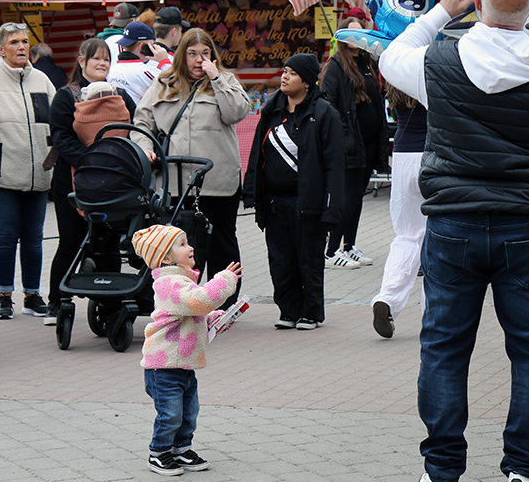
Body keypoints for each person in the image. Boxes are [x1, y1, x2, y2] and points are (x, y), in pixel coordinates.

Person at [380, 0, 529, 482]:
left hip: (453, 223)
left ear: (478, 7)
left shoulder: (438, 62)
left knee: (444, 347)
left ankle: (442, 473)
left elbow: (389, 56)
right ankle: (526, 472)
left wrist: (439, 11)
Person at [134, 29, 250, 299]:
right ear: (181, 56)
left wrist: (216, 78)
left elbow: (237, 112)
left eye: (205, 53)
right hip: (176, 183)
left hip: (217, 182)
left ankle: (224, 302)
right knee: (180, 245)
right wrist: (145, 147)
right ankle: (184, 300)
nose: (199, 60)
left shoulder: (225, 80)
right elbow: (142, 122)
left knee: (222, 243)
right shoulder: (164, 82)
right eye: (193, 54)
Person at [244, 53, 345, 329]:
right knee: (280, 261)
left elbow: (334, 165)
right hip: (274, 203)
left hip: (308, 203)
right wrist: (252, 192)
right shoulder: (271, 109)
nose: (285, 77)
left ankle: (310, 313)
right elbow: (256, 154)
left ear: (308, 82)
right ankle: (288, 311)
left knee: (308, 260)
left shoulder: (324, 112)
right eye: (285, 71)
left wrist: (331, 207)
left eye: (293, 73)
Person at [130, 224, 241, 476]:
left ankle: (181, 449)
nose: (190, 247)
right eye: (182, 244)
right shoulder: (170, 283)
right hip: (164, 366)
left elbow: (190, 313)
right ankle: (158, 452)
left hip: (183, 363)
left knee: (189, 412)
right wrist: (224, 280)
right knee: (170, 414)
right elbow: (199, 302)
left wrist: (215, 319)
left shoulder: (181, 281)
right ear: (166, 258)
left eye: (187, 242)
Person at [0, 23, 55, 321]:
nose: (21, 47)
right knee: (6, 236)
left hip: (39, 175)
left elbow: (57, 125)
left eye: (25, 41)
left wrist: (52, 164)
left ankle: (32, 295)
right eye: (14, 42)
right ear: (0, 49)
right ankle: (4, 296)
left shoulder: (42, 80)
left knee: (34, 238)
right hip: (3, 176)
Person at [46, 38, 132, 325]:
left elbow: (133, 129)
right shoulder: (66, 96)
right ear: (81, 61)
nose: (102, 64)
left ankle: (111, 304)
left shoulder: (120, 95)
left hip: (112, 183)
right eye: (96, 58)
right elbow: (61, 137)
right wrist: (94, 159)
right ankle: (56, 301)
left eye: (106, 59)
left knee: (109, 244)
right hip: (72, 181)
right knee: (70, 242)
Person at [321, 18, 389, 268]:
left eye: (361, 33)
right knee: (347, 198)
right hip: (349, 143)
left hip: (368, 143)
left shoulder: (368, 63)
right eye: (352, 33)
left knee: (358, 197)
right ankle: (330, 251)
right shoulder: (336, 66)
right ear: (342, 37)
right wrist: (344, 134)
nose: (358, 39)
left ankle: (348, 246)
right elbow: (328, 103)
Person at [370, 85, 427, 338]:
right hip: (434, 151)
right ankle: (433, 312)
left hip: (403, 154)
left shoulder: (397, 74)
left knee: (406, 235)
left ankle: (387, 298)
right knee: (438, 238)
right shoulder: (435, 69)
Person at [106, 21, 162, 105]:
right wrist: (164, 62)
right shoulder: (146, 72)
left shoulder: (111, 70)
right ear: (142, 47)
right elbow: (173, 86)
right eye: (151, 45)